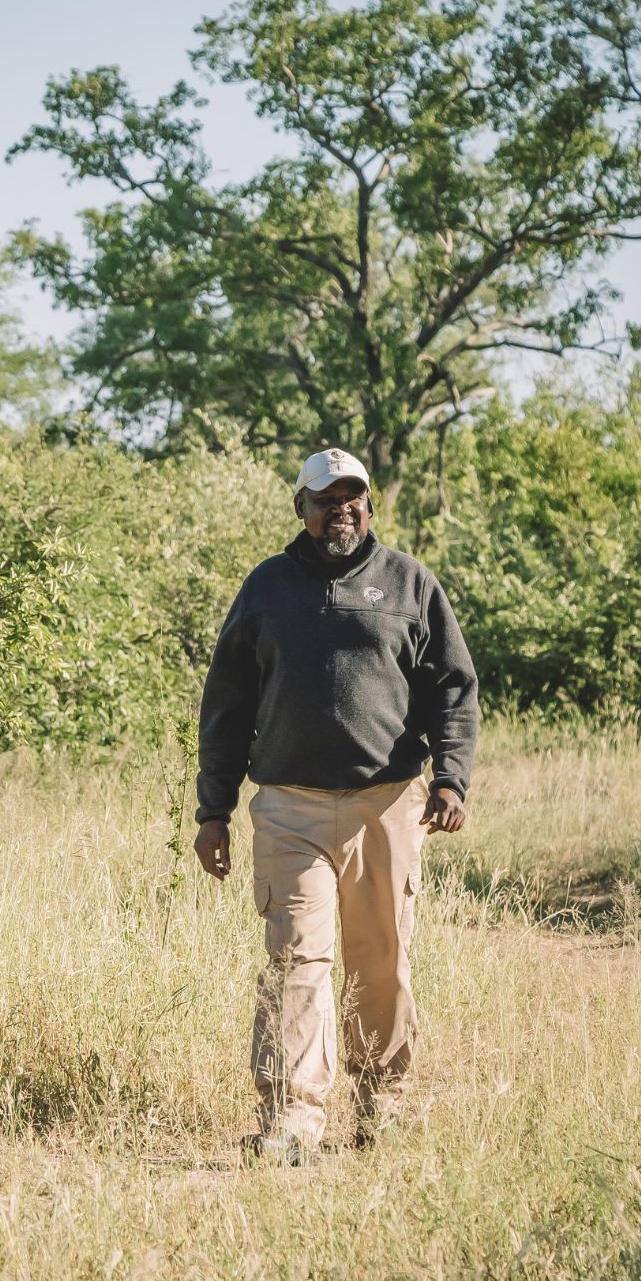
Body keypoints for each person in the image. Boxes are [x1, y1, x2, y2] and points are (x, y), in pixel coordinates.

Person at [193, 447, 478, 1161]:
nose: (341, 509)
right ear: (302, 508)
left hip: (389, 803)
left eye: (353, 497)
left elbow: (452, 688)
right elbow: (227, 703)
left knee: (381, 960)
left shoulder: (410, 583)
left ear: (370, 505)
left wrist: (451, 779)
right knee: (296, 960)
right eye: (325, 499)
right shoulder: (267, 588)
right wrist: (213, 811)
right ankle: (291, 1118)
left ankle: (385, 1104)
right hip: (290, 807)